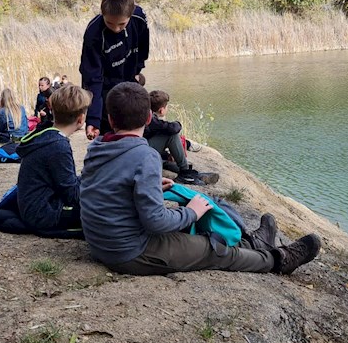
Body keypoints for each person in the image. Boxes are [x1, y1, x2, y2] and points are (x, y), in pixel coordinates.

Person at [79, 81, 321, 276]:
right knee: (214, 249)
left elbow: (110, 189)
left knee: (193, 225)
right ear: (149, 118)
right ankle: (279, 260)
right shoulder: (145, 156)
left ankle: (254, 242)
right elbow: (155, 222)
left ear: (110, 119)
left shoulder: (97, 149)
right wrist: (191, 212)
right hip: (129, 252)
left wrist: (150, 187)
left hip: (103, 243)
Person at [0, 85, 91, 239]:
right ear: (81, 119)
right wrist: (91, 181)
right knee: (98, 212)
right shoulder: (59, 146)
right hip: (42, 213)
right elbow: (71, 194)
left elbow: (64, 182)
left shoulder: (45, 137)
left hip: (30, 206)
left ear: (52, 110)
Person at [79, 0, 149, 140]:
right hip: (105, 86)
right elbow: (92, 79)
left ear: (130, 15)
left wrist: (138, 70)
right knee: (108, 131)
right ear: (102, 14)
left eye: (122, 24)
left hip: (129, 79)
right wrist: (93, 119)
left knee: (132, 126)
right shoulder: (93, 33)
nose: (116, 29)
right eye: (110, 23)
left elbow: (143, 48)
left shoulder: (139, 18)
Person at [145, 89, 218, 185]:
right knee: (171, 135)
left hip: (143, 150)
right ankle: (185, 173)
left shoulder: (145, 114)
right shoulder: (152, 120)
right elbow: (173, 129)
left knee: (166, 160)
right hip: (143, 154)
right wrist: (178, 123)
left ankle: (194, 174)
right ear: (162, 110)